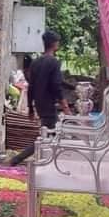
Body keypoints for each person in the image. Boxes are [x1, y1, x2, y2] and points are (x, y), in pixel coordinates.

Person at [10, 30, 70, 166]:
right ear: (55, 44)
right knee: (48, 135)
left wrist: (31, 108)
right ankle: (17, 159)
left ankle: (48, 160)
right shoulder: (54, 62)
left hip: (39, 103)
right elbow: (56, 86)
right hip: (49, 103)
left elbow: (31, 87)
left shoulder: (36, 63)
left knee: (48, 134)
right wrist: (64, 106)